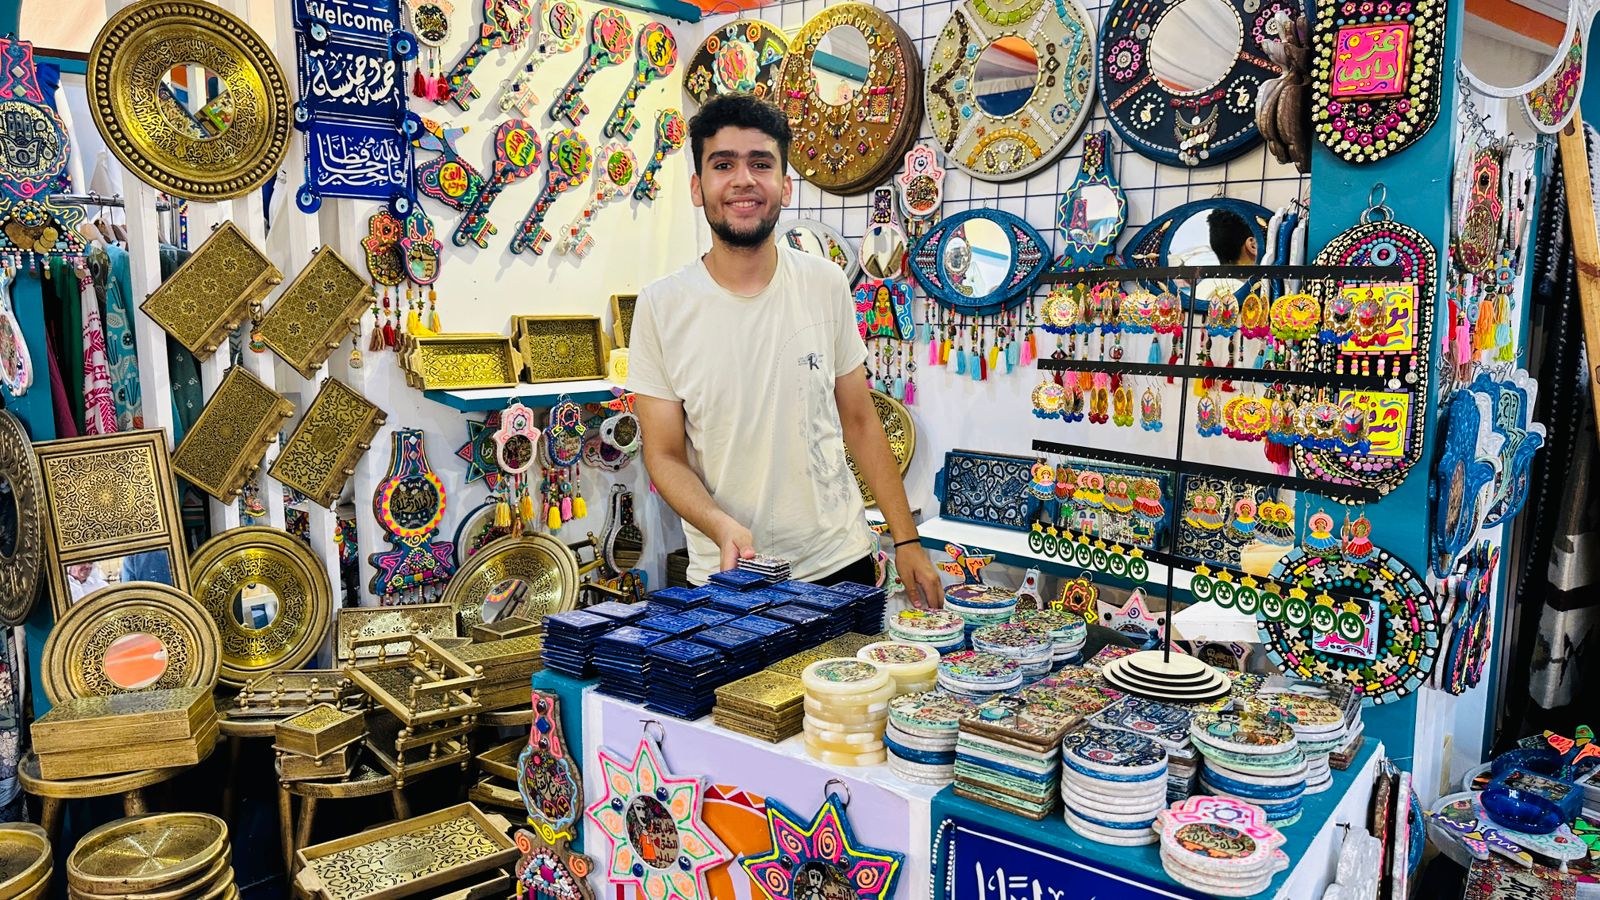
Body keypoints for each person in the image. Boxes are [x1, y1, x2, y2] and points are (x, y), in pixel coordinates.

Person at [627, 93, 944, 608]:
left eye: (761, 164)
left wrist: (906, 541)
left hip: (840, 561)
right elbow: (663, 454)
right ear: (697, 187)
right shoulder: (662, 306)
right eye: (723, 165)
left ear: (785, 185)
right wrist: (718, 523)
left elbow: (861, 421)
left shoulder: (825, 283)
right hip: (728, 572)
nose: (743, 180)